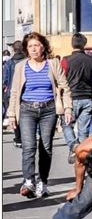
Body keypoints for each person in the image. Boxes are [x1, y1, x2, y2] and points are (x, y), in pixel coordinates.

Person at [6, 31, 72, 199]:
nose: (34, 49)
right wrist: (12, 114)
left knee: (46, 147)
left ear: (43, 47)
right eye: (30, 46)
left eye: (36, 45)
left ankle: (42, 182)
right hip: (27, 109)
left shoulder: (53, 64)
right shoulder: (21, 66)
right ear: (26, 49)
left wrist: (68, 109)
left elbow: (64, 87)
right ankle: (28, 181)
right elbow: (14, 92)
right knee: (28, 147)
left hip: (48, 110)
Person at [60, 32, 92, 164]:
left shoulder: (66, 60)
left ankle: (74, 146)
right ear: (84, 44)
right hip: (87, 96)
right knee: (84, 128)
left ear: (72, 43)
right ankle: (82, 153)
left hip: (71, 96)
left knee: (66, 123)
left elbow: (62, 78)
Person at [3, 40, 26, 146]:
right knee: (26, 114)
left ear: (13, 49)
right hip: (25, 91)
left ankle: (18, 138)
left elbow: (5, 80)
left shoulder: (9, 63)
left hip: (11, 93)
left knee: (14, 115)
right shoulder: (27, 61)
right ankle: (26, 136)